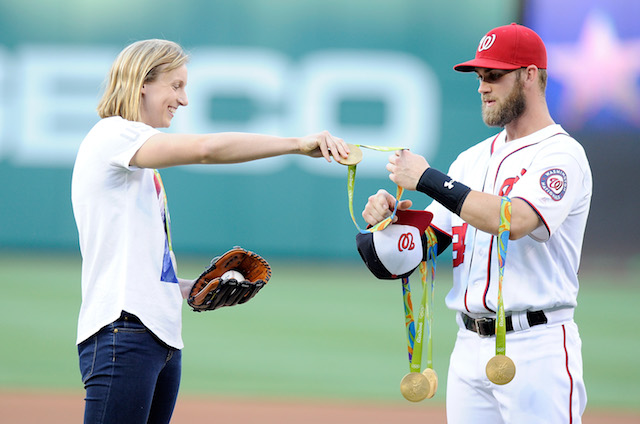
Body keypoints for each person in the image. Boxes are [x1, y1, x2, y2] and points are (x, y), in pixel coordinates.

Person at [71, 39, 349, 424]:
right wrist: (297, 145)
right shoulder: (112, 136)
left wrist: (189, 287)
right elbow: (206, 149)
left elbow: (136, 262)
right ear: (142, 83)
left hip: (158, 335)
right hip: (125, 330)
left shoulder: (137, 162)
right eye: (176, 85)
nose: (184, 100)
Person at [362, 23, 591, 423]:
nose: (483, 87)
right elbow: (430, 242)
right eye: (480, 76)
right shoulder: (470, 160)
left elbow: (515, 219)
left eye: (494, 75)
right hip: (468, 347)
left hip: (536, 347)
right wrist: (389, 225)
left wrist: (428, 179)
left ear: (530, 75)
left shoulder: (561, 154)